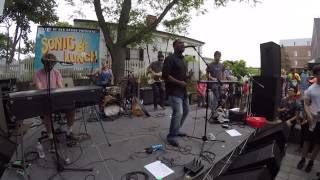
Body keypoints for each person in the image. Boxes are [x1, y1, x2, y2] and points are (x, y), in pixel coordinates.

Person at [33, 53, 77, 151]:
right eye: (47, 64)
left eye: (52, 64)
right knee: (47, 113)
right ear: (43, 63)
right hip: (45, 100)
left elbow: (60, 86)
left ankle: (69, 132)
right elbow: (39, 88)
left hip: (57, 100)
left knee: (72, 108)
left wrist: (64, 95)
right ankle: (50, 136)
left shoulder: (56, 72)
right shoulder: (38, 73)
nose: (50, 66)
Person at [162, 39, 192, 147]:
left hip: (183, 91)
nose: (183, 45)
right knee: (178, 113)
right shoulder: (170, 59)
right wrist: (180, 83)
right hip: (174, 91)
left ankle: (177, 130)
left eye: (183, 43)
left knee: (186, 111)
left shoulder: (183, 60)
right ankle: (171, 136)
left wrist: (187, 76)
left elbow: (182, 76)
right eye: (180, 43)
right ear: (174, 46)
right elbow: (165, 76)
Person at [296, 65, 320, 173]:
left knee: (318, 144)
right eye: (319, 74)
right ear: (315, 75)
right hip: (311, 120)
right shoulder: (311, 89)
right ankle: (303, 159)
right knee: (306, 141)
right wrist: (309, 114)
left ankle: (311, 162)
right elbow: (305, 104)